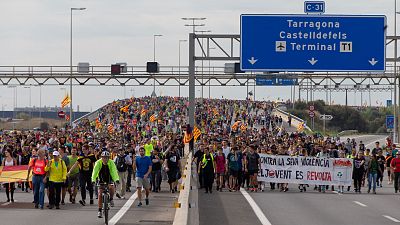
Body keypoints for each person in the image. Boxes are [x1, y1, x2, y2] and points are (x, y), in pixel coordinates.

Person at [91, 151, 120, 218]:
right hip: (101, 179)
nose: (105, 159)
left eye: (107, 158)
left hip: (109, 178)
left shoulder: (111, 162)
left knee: (111, 187)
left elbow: (114, 171)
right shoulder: (98, 162)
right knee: (100, 194)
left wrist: (116, 179)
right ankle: (100, 210)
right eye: (104, 157)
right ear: (101, 157)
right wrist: (93, 180)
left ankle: (111, 199)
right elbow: (95, 172)